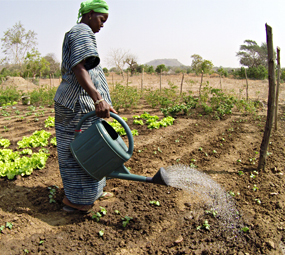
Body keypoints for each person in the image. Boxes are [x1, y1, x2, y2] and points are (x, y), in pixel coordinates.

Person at [54, 0, 117, 212]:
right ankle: (77, 201)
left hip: (81, 104)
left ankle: (94, 191)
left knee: (94, 147)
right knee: (80, 151)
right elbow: (79, 68)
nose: (102, 25)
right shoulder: (81, 31)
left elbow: (89, 70)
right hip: (76, 106)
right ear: (89, 14)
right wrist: (98, 99)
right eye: (101, 19)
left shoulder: (82, 32)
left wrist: (103, 100)